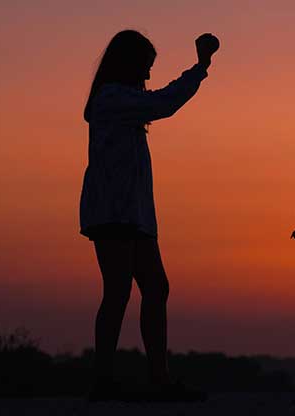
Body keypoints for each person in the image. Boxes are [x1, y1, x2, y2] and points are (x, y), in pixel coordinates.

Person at [79, 29, 219, 402]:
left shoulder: (120, 100)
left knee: (155, 288)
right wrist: (200, 66)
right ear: (129, 65)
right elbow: (165, 103)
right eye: (145, 67)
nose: (147, 77)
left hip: (133, 213)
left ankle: (158, 379)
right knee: (118, 291)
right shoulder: (111, 99)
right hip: (113, 211)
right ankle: (104, 381)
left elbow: (158, 102)